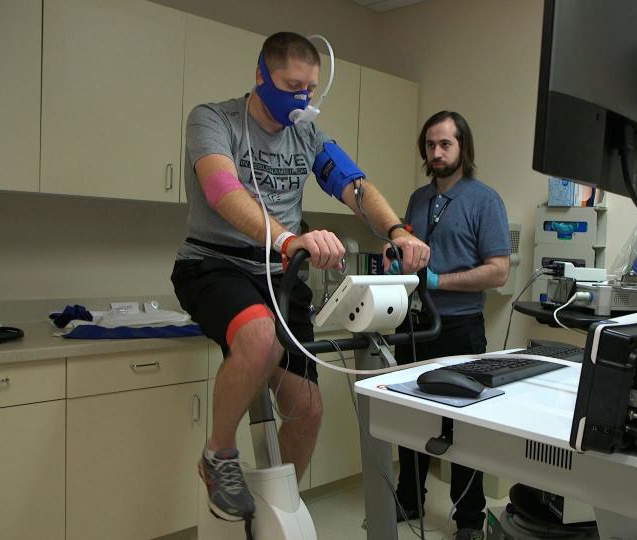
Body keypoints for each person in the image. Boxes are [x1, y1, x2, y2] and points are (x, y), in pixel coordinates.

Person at [171, 31, 430, 522]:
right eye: (292, 86)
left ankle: (276, 506)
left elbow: (355, 187)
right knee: (259, 338)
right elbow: (222, 189)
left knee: (308, 408)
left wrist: (397, 230)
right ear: (260, 75)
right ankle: (218, 455)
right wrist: (288, 239)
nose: (301, 99)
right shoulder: (213, 119)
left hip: (280, 276)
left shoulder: (308, 134)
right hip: (215, 263)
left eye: (310, 89)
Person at [389, 111, 511, 540]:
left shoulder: (485, 201)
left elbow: (499, 272)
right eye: (430, 145)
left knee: (464, 428)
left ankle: (469, 521)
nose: (437, 152)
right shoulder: (417, 200)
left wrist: (442, 280)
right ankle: (408, 500)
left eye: (446, 144)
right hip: (413, 325)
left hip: (459, 329)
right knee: (410, 419)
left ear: (463, 148)